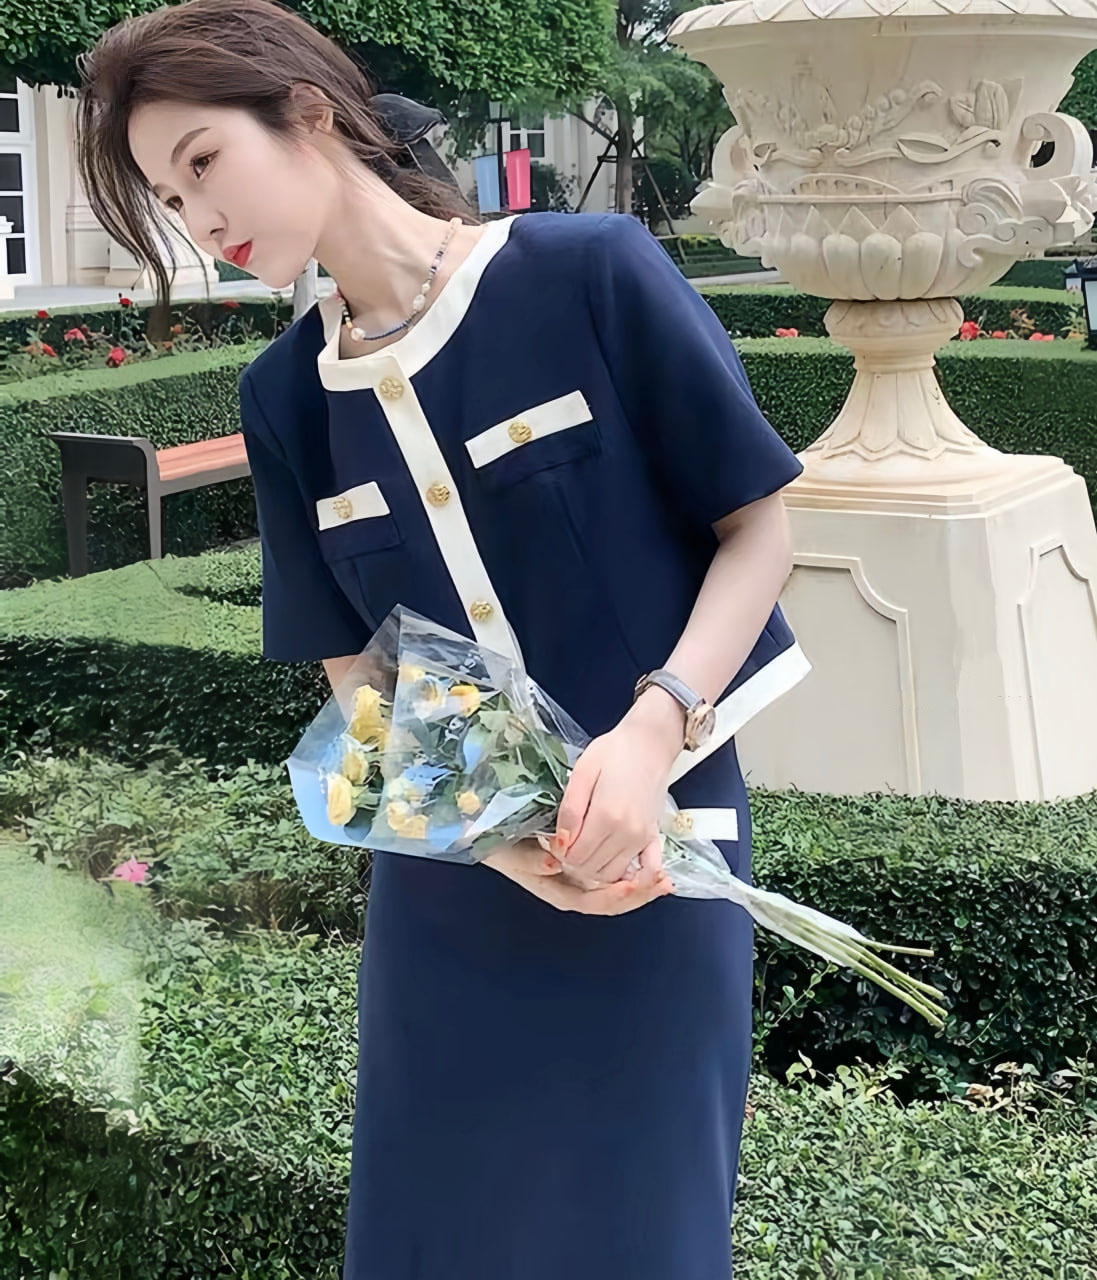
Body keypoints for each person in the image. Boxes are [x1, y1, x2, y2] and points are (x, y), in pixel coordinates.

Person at [74, 1, 810, 1275]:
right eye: (169, 197)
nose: (200, 219)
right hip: (449, 899)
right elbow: (354, 673)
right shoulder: (284, 397)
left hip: (656, 861)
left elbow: (758, 529)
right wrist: (493, 844)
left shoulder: (588, 273)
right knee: (433, 1235)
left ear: (306, 112)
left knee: (642, 1232)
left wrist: (652, 731)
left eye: (203, 162)